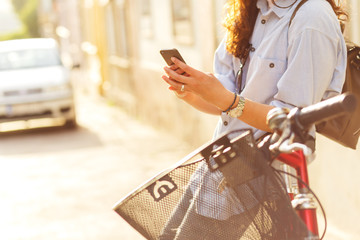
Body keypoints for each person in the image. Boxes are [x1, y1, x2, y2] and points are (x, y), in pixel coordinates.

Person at [160, 0, 347, 239]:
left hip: (261, 175)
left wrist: (226, 99)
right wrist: (191, 92)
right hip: (220, 163)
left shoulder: (312, 18)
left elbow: (291, 120)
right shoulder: (251, 9)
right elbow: (227, 97)